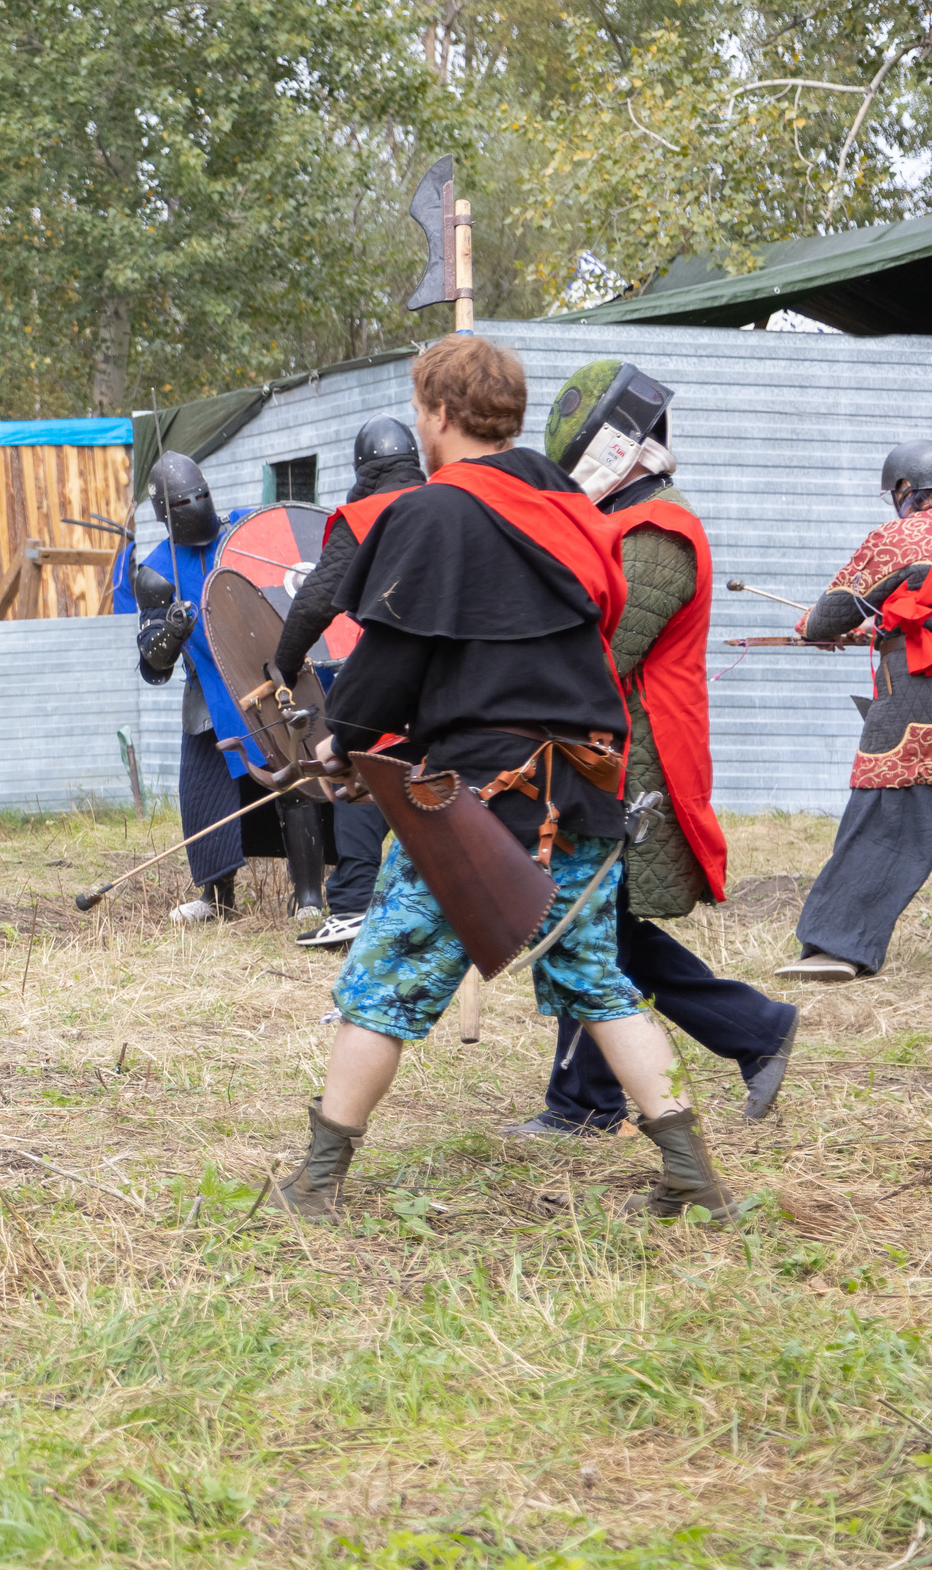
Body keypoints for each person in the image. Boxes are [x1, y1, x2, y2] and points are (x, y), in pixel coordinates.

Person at [273, 334, 740, 1224]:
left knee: (383, 978)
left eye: (421, 408)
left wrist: (341, 741)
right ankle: (692, 1174)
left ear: (440, 414)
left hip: (478, 801)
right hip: (584, 782)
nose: (421, 422)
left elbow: (393, 653)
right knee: (598, 979)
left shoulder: (434, 511)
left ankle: (316, 1183)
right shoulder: (568, 503)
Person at [502, 360, 798, 1132]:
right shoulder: (618, 526)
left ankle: (746, 1032)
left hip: (642, 759)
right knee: (596, 922)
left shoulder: (659, 528)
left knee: (596, 922)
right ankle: (593, 1097)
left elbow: (601, 655)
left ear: (617, 451)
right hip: (612, 750)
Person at [115, 453, 329, 921]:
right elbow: (154, 665)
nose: (195, 505)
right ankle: (216, 898)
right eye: (183, 501)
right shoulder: (156, 572)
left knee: (294, 777)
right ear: (165, 514)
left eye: (200, 496)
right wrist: (170, 630)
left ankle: (309, 896)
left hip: (270, 674)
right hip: (208, 688)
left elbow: (294, 581)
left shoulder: (245, 531)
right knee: (207, 791)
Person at [777, 439, 932, 983]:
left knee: (887, 820)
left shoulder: (900, 537)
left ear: (907, 490)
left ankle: (837, 946)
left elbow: (827, 618)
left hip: (918, 707)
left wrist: (816, 628)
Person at [274, 417, 427, 947]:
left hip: (397, 663)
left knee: (355, 756)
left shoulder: (364, 514)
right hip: (467, 677)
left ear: (363, 470)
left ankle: (355, 905)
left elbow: (316, 599)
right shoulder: (453, 500)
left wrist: (285, 664)